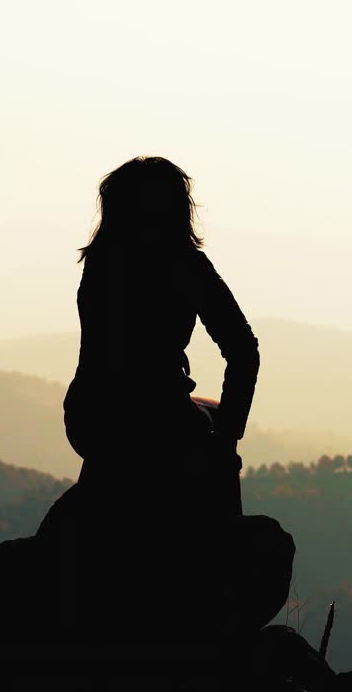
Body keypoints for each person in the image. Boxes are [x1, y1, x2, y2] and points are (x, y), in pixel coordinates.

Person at [63, 156, 260, 520]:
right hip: (158, 418)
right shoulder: (185, 264)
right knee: (217, 424)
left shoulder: (102, 262)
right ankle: (227, 544)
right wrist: (227, 440)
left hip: (88, 417)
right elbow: (243, 349)